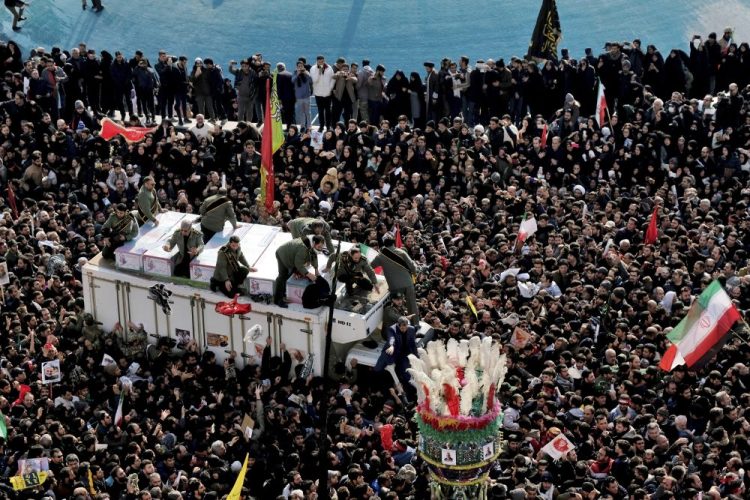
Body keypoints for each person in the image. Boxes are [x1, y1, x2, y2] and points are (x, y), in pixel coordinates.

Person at [273, 235, 324, 308]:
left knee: (294, 272)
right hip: (283, 254)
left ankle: (284, 292)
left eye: (321, 247)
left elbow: (313, 255)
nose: (320, 249)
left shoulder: (311, 243)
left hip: (293, 256)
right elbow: (298, 264)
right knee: (283, 276)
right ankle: (278, 299)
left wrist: (316, 269)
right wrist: (308, 274)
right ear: (314, 243)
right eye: (319, 247)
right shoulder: (303, 248)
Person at [374, 316, 417, 390]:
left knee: (407, 373)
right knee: (378, 368)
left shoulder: (411, 329)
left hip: (404, 353)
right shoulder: (392, 329)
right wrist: (391, 346)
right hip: (391, 352)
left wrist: (416, 356)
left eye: (406, 327)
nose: (404, 330)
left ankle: (412, 389)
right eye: (402, 328)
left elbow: (413, 344)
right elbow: (391, 338)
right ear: (398, 325)